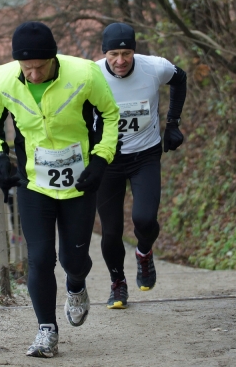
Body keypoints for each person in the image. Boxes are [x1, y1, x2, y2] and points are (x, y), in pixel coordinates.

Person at [0, 21, 120, 357]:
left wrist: (101, 160)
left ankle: (76, 286)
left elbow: (110, 115)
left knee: (74, 260)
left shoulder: (84, 73)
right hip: (34, 182)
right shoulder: (3, 78)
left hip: (79, 181)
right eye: (26, 68)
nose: (33, 74)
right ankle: (46, 331)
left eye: (40, 66)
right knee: (40, 258)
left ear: (53, 58)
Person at [94, 22, 187, 309]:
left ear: (134, 51)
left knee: (145, 219)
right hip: (107, 160)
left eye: (126, 53)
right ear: (104, 53)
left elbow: (180, 79)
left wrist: (173, 123)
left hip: (145, 156)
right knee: (111, 231)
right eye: (113, 54)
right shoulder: (92, 75)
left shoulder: (154, 67)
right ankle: (117, 283)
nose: (120, 61)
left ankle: (144, 253)